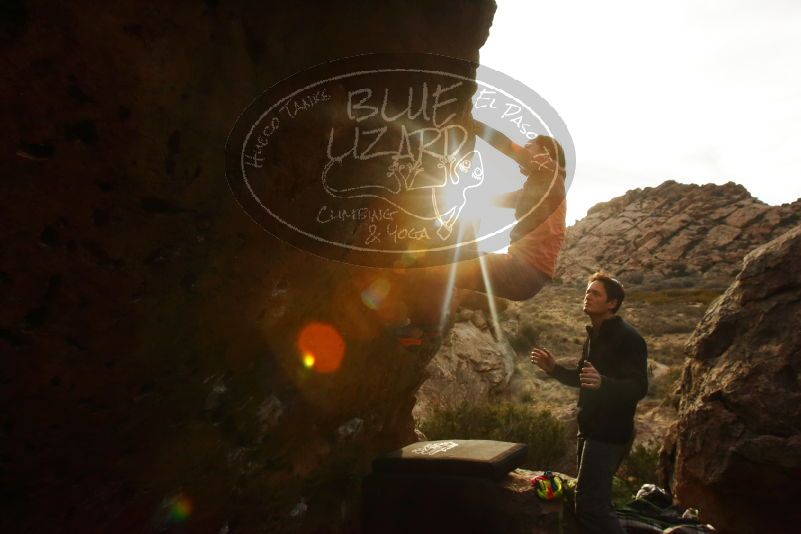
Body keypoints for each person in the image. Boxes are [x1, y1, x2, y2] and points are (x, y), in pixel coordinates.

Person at [530, 272, 648, 533]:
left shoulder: (629, 338)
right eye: (587, 292)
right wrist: (553, 369)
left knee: (590, 505)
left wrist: (604, 383)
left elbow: (639, 387)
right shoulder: (594, 335)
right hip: (590, 430)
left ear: (612, 303)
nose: (588, 296)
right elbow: (582, 378)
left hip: (608, 435)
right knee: (596, 502)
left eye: (596, 293)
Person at [409, 120, 567, 306]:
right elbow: (494, 200)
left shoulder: (549, 170)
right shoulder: (545, 189)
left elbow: (509, 147)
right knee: (447, 268)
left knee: (434, 263)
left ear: (545, 152)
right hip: (527, 280)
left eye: (529, 147)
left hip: (520, 271)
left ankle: (409, 319)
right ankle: (424, 325)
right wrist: (462, 194)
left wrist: (472, 123)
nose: (526, 151)